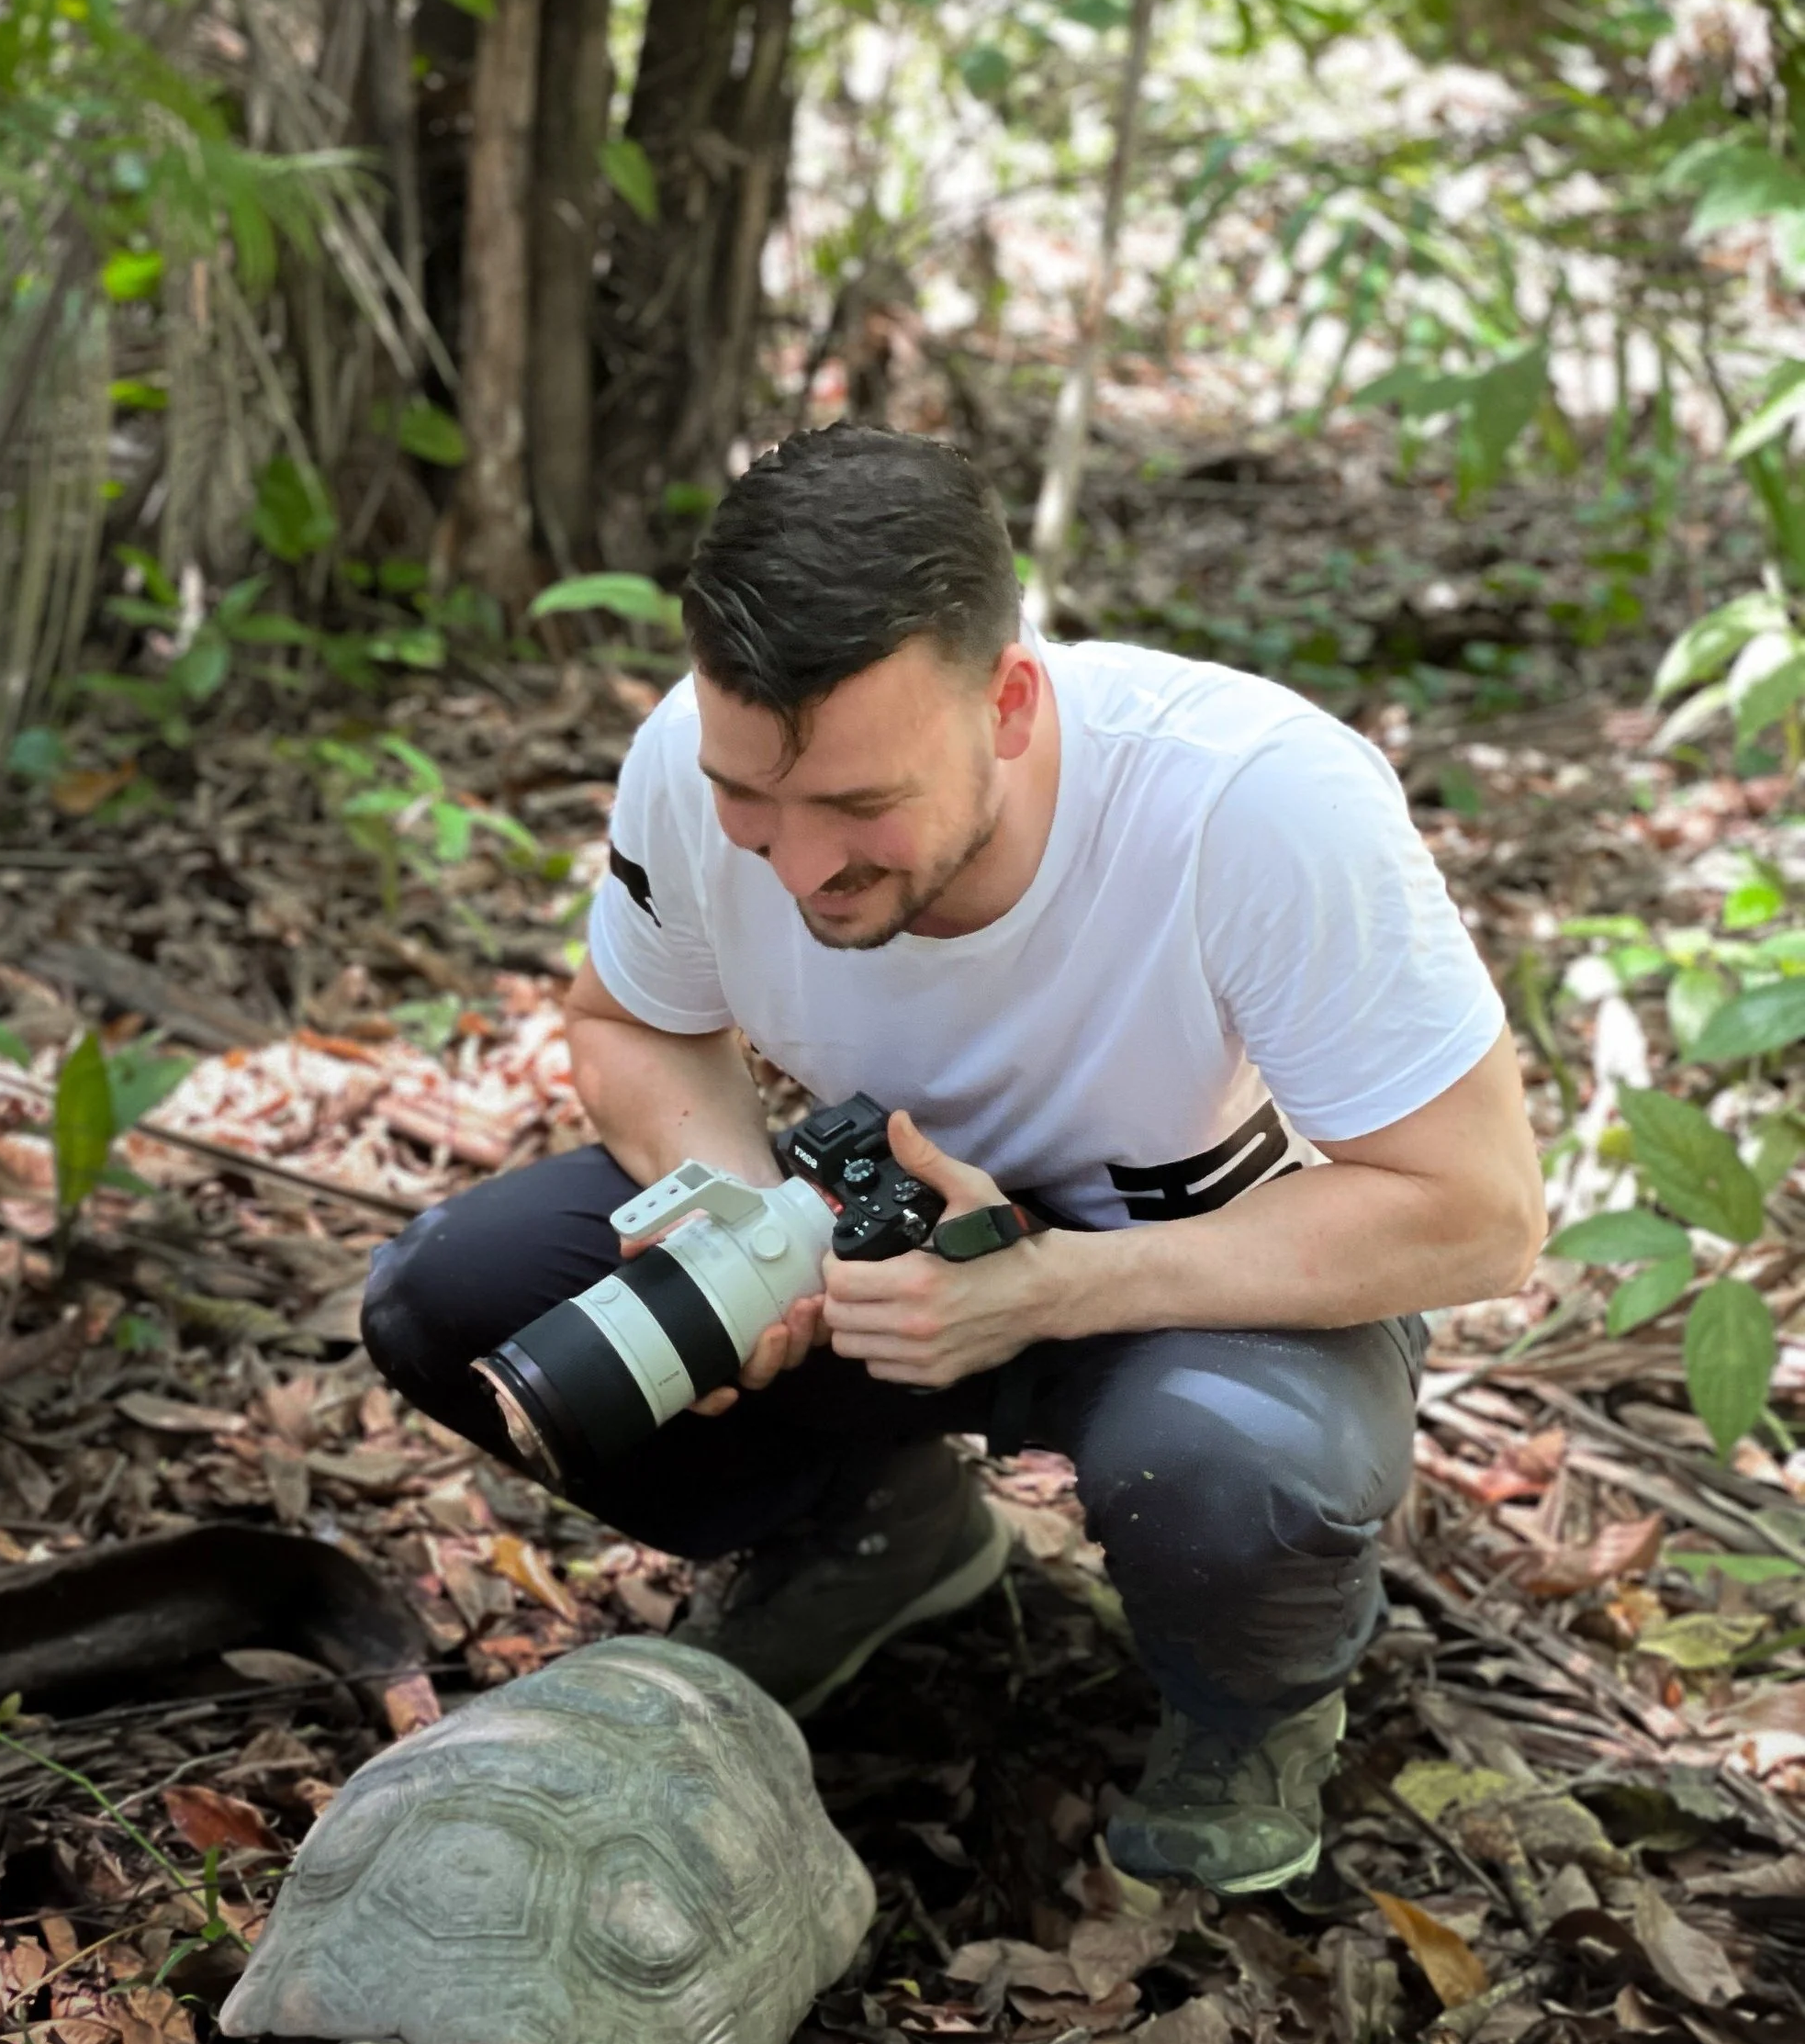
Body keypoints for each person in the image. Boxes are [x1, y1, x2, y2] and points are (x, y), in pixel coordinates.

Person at [362, 426, 1545, 1894]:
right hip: (875, 1245)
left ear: (1010, 703)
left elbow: (1480, 1214)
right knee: (459, 1301)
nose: (796, 867)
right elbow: (634, 1027)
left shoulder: (1250, 806)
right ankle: (874, 1535)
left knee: (1231, 1474)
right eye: (754, 803)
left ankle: (1251, 1710)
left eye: (861, 808)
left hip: (1207, 1277)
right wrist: (730, 1219)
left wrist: (1047, 1287)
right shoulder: (693, 760)